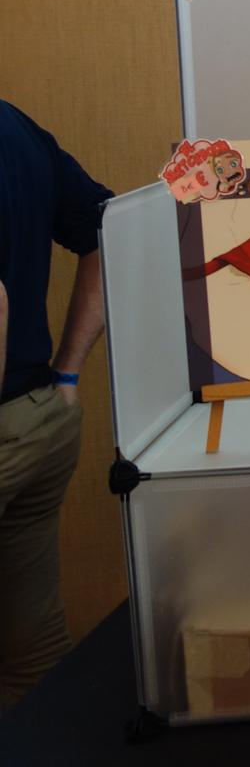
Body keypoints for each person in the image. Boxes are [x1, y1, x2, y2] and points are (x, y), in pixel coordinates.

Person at [0, 99, 114, 707]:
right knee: (32, 656)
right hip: (41, 418)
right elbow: (108, 230)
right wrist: (66, 375)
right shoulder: (13, 124)